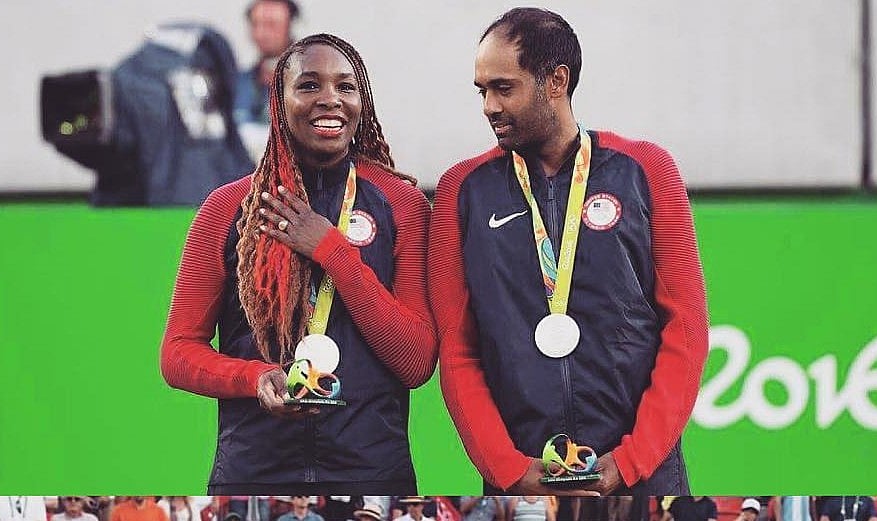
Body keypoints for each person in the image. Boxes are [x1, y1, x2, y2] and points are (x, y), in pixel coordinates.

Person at [428, 7, 708, 496]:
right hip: (523, 480)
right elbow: (457, 347)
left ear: (556, 81)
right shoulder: (462, 189)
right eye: (482, 90)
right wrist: (508, 469)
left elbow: (686, 330)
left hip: (641, 478)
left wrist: (631, 461)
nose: (489, 106)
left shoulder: (647, 169)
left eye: (504, 87)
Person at [160, 32, 437, 493]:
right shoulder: (227, 208)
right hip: (253, 477)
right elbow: (177, 353)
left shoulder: (402, 205)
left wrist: (331, 250)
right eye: (309, 85)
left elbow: (415, 362)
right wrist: (255, 377)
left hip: (372, 476)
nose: (331, 100)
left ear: (361, 100)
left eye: (346, 87)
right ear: (278, 101)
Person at [235, 0, 301, 160]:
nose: (262, 33)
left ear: (289, 26)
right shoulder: (238, 83)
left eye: (271, 25)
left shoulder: (311, 84)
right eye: (256, 24)